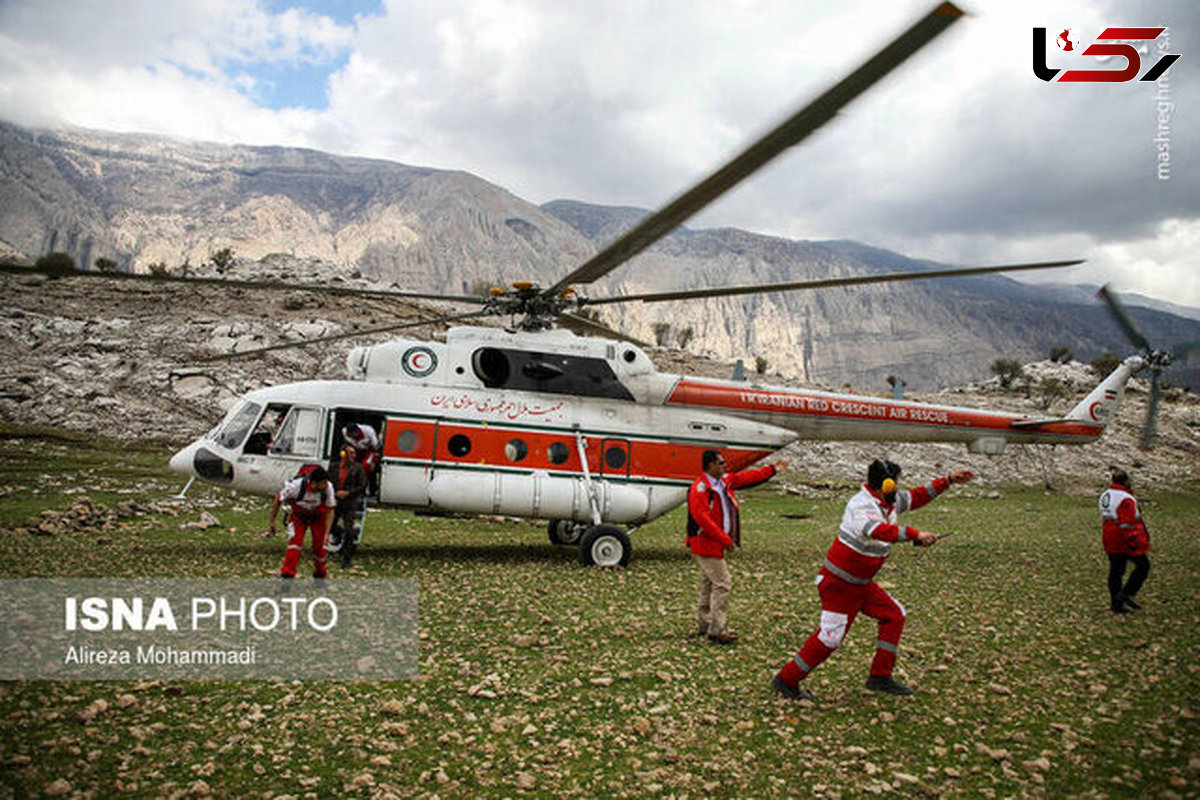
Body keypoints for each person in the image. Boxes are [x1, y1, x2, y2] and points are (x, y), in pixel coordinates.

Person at [772, 459, 974, 699]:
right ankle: (786, 680)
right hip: (839, 585)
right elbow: (877, 530)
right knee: (830, 638)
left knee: (894, 615)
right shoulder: (861, 505)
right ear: (886, 484)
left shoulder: (888, 501)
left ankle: (880, 676)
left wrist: (949, 481)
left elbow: (918, 496)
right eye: (895, 483)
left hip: (860, 584)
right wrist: (914, 534)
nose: (899, 489)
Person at [687, 450, 787, 644]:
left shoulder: (722, 482)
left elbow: (747, 477)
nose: (725, 465)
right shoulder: (700, 488)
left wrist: (772, 470)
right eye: (721, 462)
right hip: (706, 543)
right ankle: (717, 630)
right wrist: (726, 540)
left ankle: (704, 625)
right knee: (723, 584)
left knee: (708, 584)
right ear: (710, 466)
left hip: (714, 543)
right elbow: (703, 520)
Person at [266, 465, 336, 583]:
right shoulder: (296, 486)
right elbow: (278, 499)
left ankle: (320, 575)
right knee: (295, 544)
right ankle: (287, 576)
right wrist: (272, 521)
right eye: (322, 483)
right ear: (314, 482)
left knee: (320, 548)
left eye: (325, 483)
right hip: (298, 516)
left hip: (318, 517)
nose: (325, 486)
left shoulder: (328, 488)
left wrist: (327, 533)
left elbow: (330, 510)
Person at [1099, 468, 1151, 614]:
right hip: (1124, 539)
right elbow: (1127, 523)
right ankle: (1127, 594)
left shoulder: (1105, 495)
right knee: (1143, 566)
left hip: (1108, 536)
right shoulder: (1126, 498)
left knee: (1116, 571)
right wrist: (1135, 541)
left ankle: (1115, 603)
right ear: (1126, 481)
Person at [329, 442, 367, 568]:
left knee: (350, 530)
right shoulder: (334, 467)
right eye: (351, 453)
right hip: (335, 501)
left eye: (354, 453)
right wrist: (335, 493)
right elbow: (328, 482)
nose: (354, 455)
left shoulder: (358, 468)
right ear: (343, 454)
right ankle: (339, 534)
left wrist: (348, 493)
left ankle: (347, 558)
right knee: (330, 526)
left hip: (349, 502)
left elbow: (362, 486)